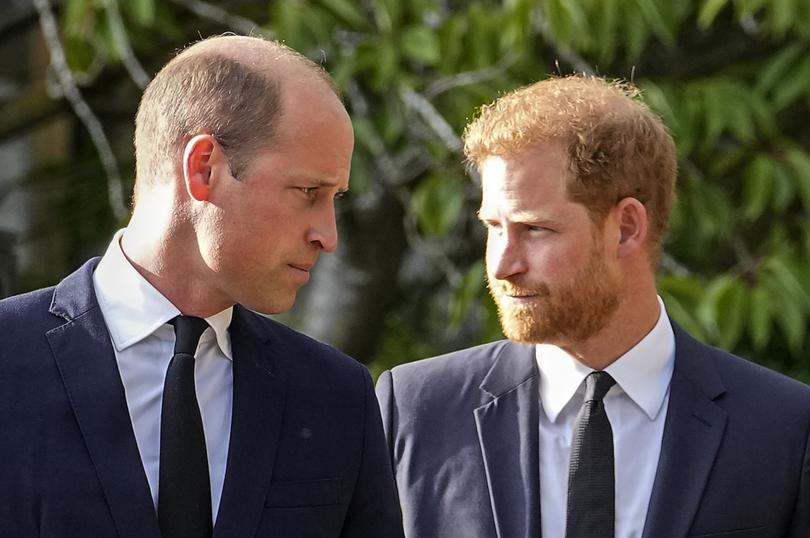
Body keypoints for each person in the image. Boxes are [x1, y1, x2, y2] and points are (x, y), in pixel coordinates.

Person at [0, 35, 404, 538]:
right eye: (308, 192)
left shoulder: (336, 396)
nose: (329, 235)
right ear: (203, 167)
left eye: (334, 197)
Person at [376, 75, 810, 538]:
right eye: (493, 227)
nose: (501, 265)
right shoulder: (416, 409)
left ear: (626, 227)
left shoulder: (784, 427)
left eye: (534, 229)